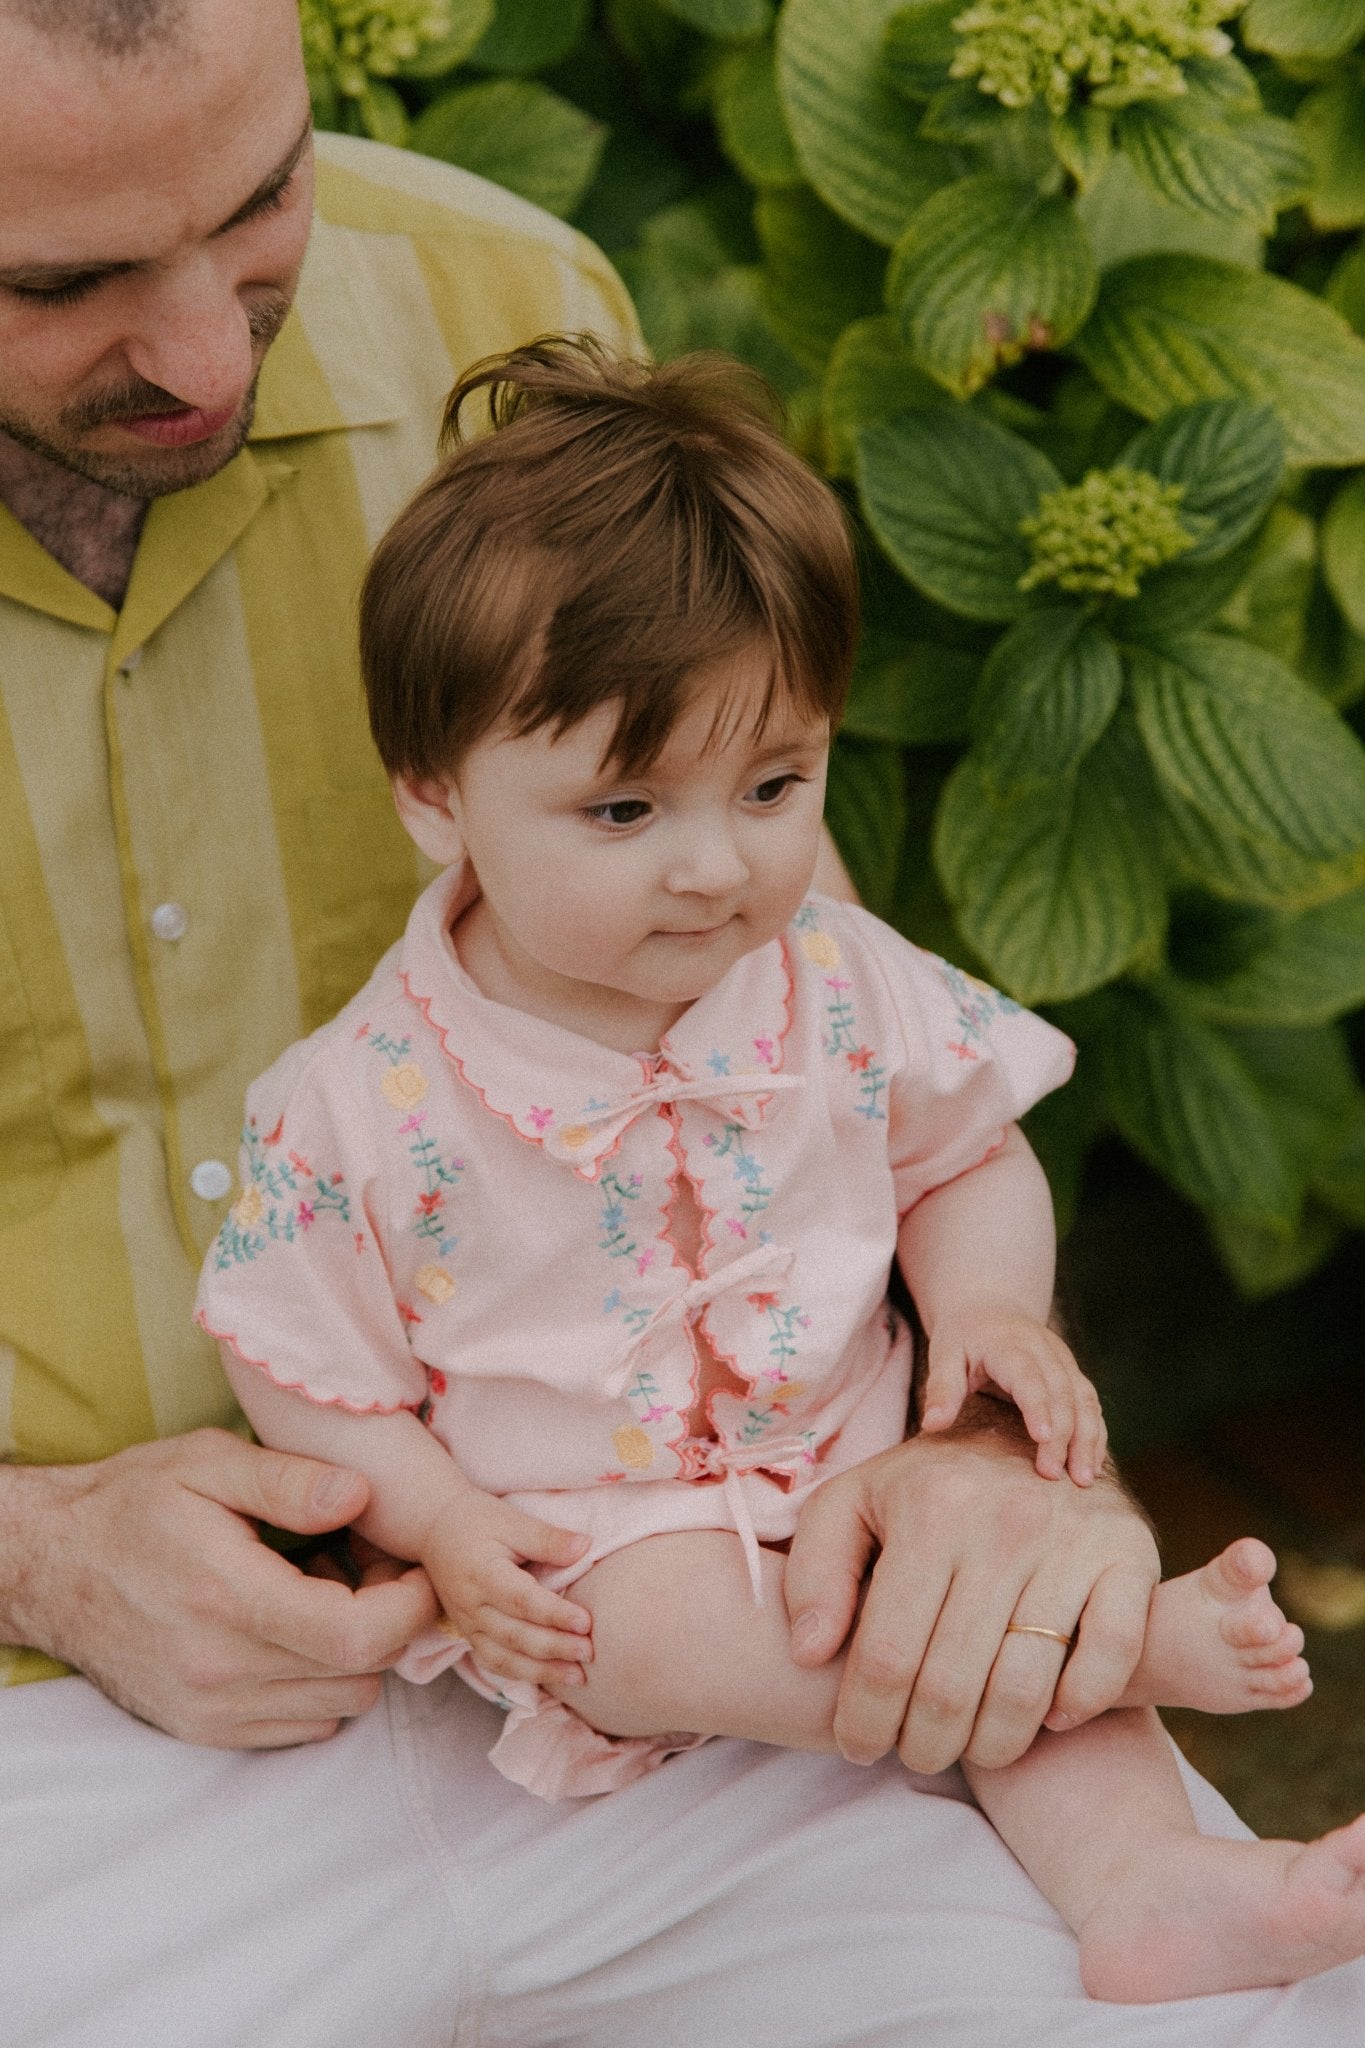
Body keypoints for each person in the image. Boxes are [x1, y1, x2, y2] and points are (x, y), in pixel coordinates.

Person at [2, 0, 1363, 2041]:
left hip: (783, 1620)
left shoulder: (512, 310)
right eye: (53, 277)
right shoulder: (363, 1102)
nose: (206, 350)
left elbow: (873, 1064)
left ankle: (1150, 1858)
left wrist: (983, 1409)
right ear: (430, 791)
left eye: (264, 193)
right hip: (93, 1731)